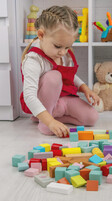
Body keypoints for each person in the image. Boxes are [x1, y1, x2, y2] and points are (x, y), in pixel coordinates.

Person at [21, 5, 100, 138]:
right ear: (41, 35)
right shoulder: (34, 60)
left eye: (68, 46)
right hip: (44, 101)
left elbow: (70, 75)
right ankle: (45, 121)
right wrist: (50, 122)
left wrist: (85, 88)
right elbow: (29, 96)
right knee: (54, 76)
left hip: (62, 100)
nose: (63, 52)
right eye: (58, 46)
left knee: (92, 118)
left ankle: (48, 117)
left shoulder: (63, 53)